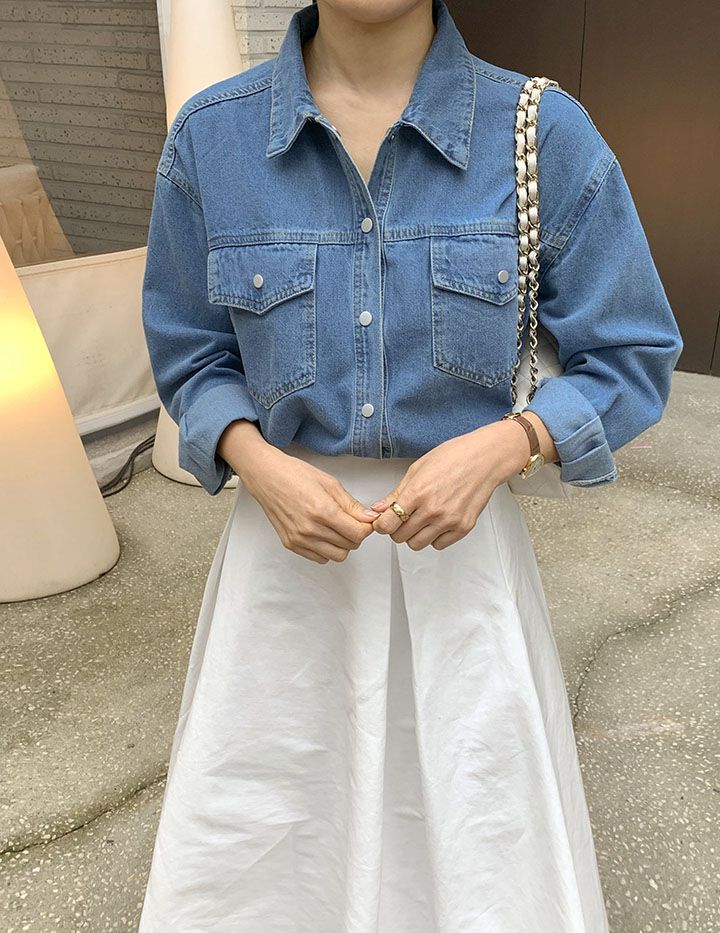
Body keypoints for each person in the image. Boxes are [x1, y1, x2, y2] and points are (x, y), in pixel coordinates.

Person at [138, 0, 684, 929]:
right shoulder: (212, 140)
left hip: (462, 572)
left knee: (477, 834)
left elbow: (631, 351)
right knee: (271, 841)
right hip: (284, 574)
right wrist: (256, 462)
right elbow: (192, 353)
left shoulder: (540, 132)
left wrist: (508, 443)